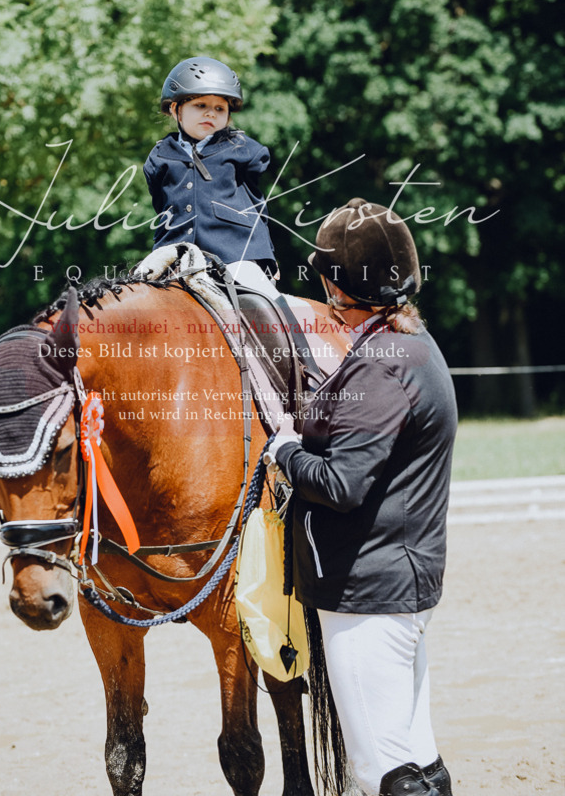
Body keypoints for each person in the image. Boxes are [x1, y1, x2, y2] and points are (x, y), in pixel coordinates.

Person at [265, 197, 457, 796]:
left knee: (380, 771)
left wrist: (284, 450)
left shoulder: (380, 363)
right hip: (398, 581)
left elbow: (342, 485)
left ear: (336, 283)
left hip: (367, 591)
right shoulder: (413, 344)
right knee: (417, 760)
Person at [143, 56, 279, 297]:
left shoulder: (242, 149)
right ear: (175, 110)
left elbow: (257, 205)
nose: (211, 114)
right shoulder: (160, 156)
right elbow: (160, 204)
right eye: (200, 105)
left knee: (261, 299)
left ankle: (292, 333)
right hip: (172, 249)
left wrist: (267, 256)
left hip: (235, 252)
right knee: (135, 289)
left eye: (219, 108)